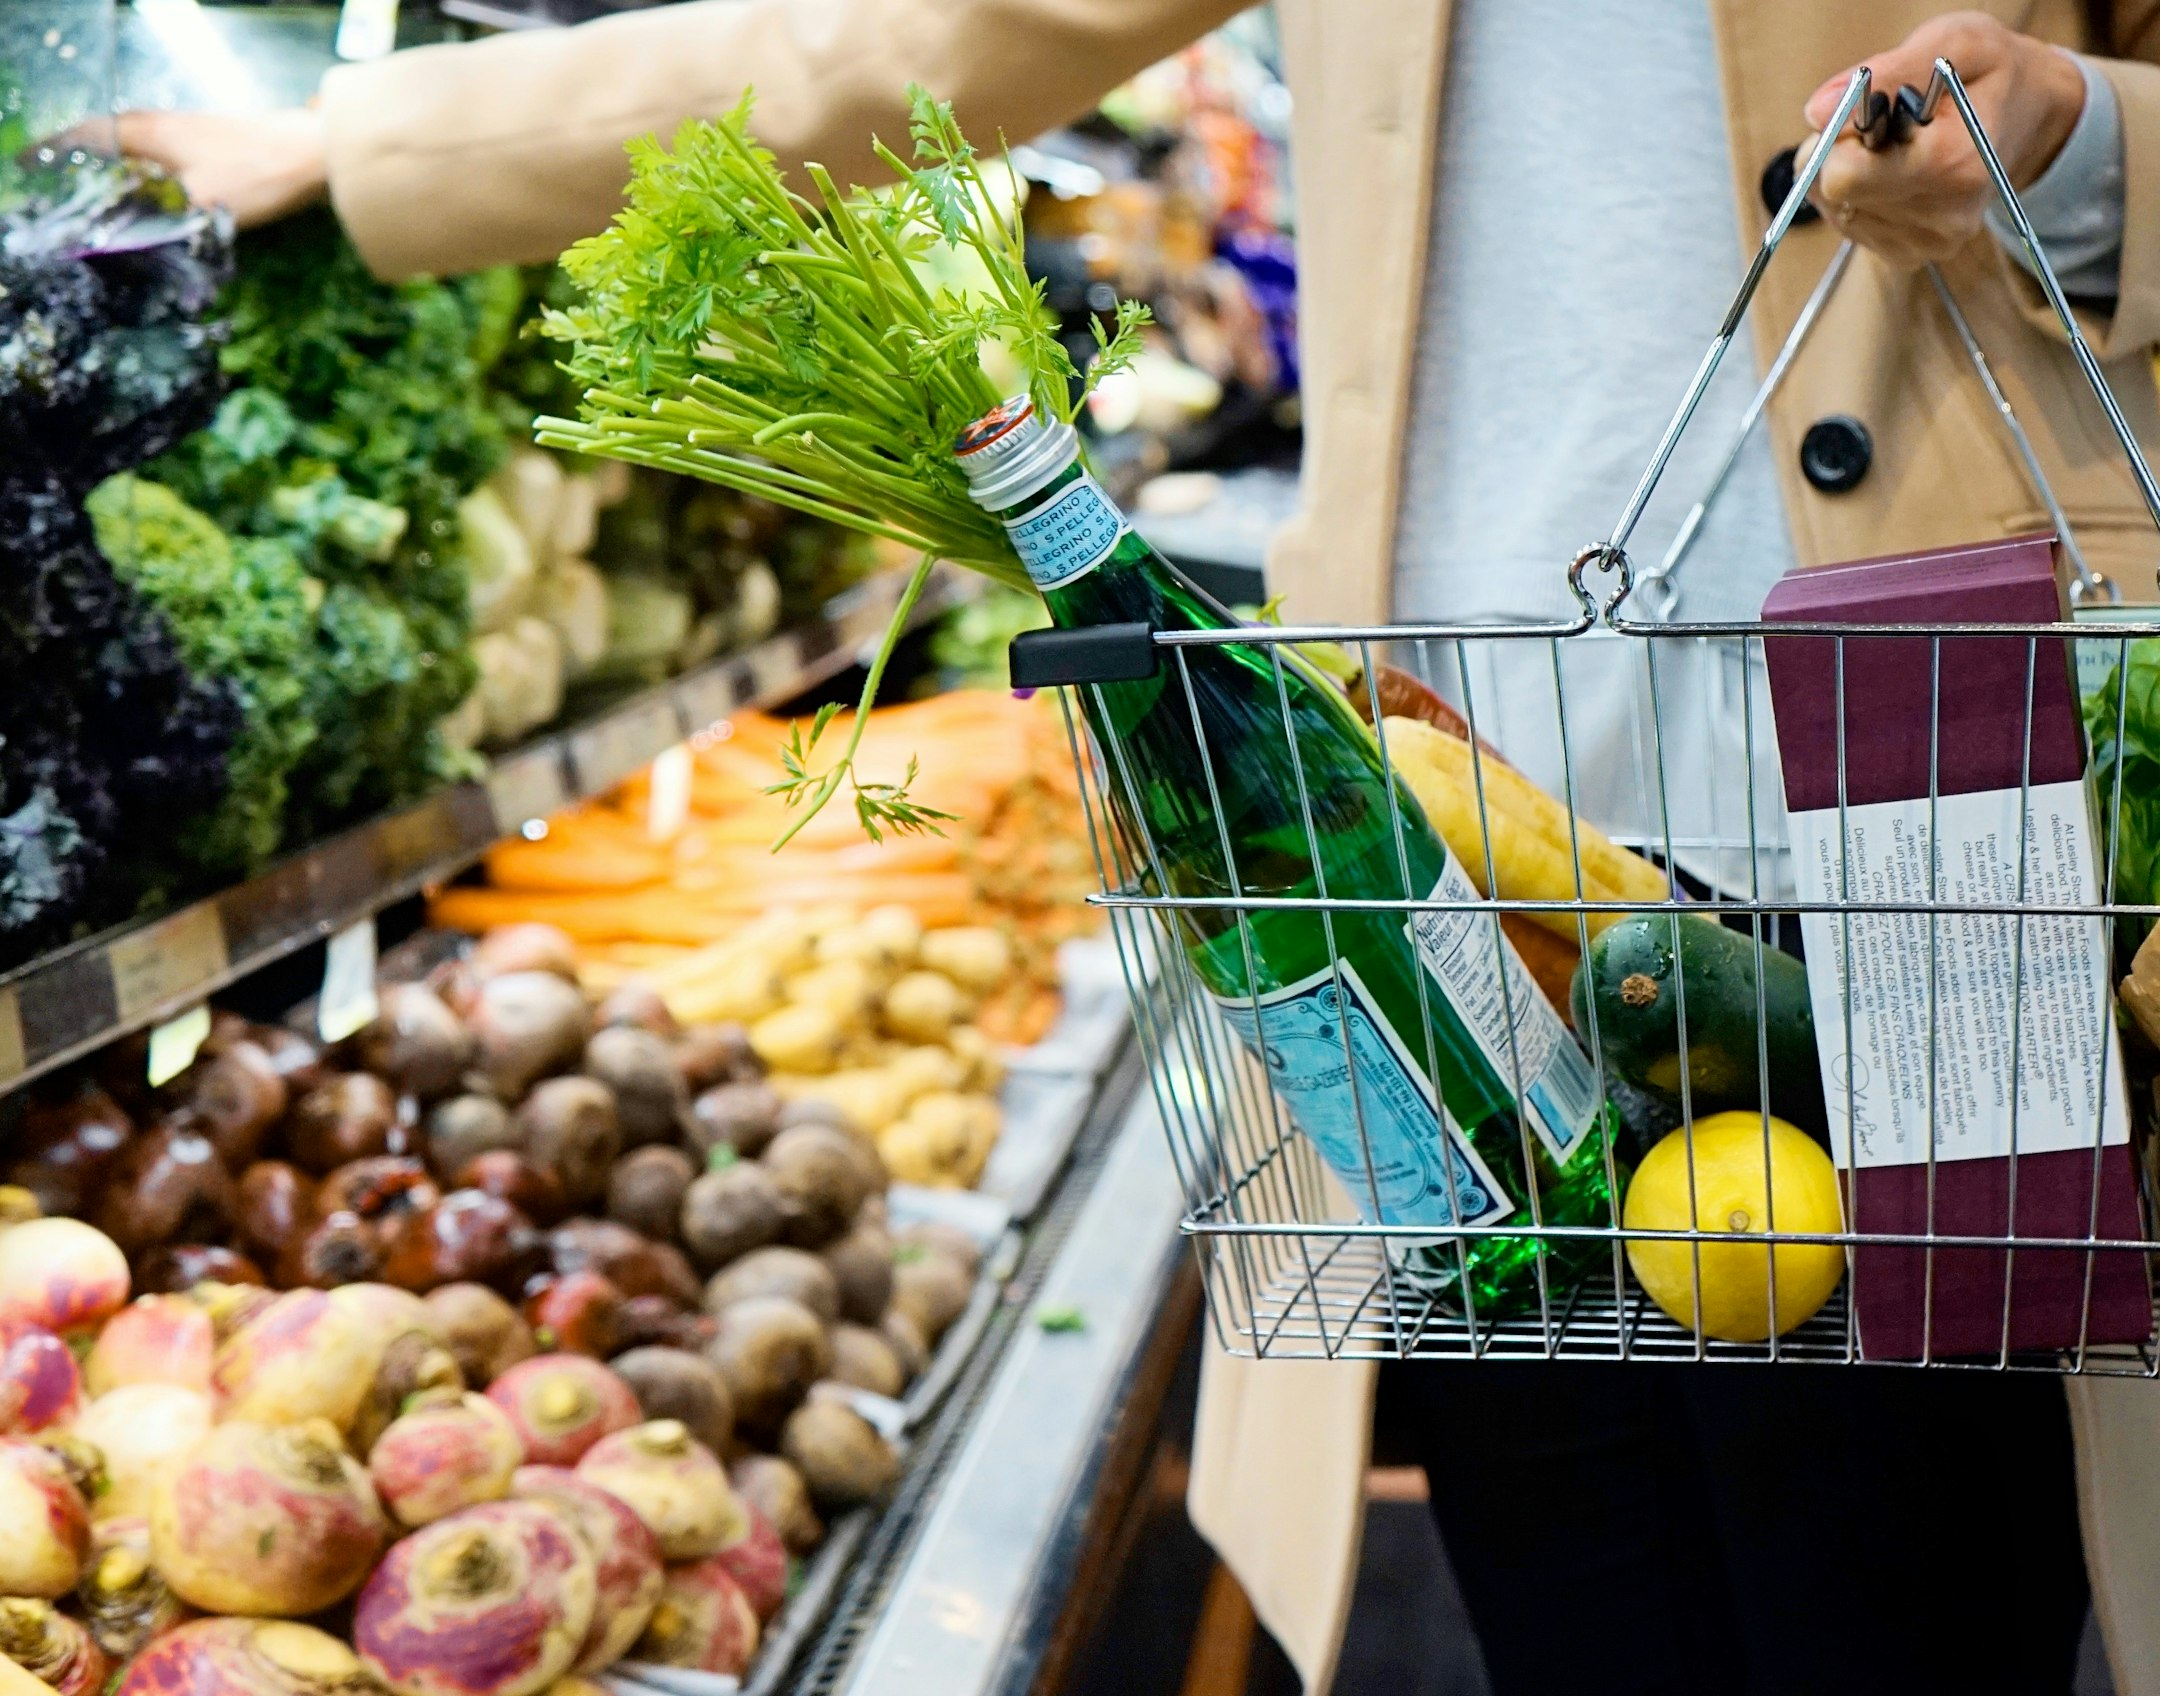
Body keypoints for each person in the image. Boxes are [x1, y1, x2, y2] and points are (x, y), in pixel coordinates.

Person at [117, 5, 2160, 1692]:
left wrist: (2069, 152)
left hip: (1930, 833)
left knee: (1911, 1596)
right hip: (1414, 854)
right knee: (1586, 1604)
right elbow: (910, 33)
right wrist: (366, 143)